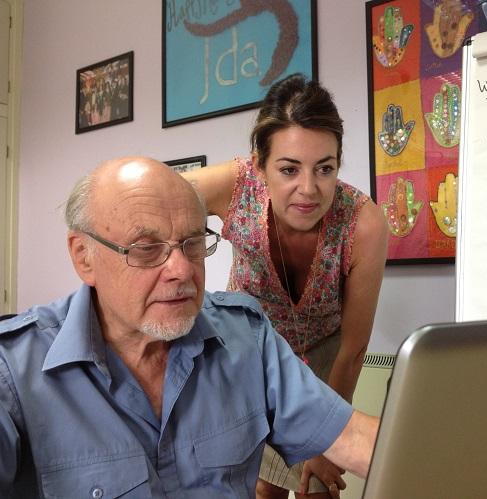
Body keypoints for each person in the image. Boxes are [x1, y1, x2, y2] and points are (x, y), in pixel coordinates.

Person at [0, 157, 379, 498]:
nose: (182, 270)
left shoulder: (245, 335)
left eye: (193, 242)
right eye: (147, 248)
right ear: (84, 257)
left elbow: (352, 438)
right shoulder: (14, 371)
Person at [183, 74, 388, 499]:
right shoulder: (235, 187)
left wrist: (324, 436)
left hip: (329, 357)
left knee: (319, 486)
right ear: (259, 164)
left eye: (325, 169)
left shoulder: (364, 222)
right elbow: (152, 201)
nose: (309, 190)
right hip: (252, 353)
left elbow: (352, 348)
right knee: (264, 486)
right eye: (289, 169)